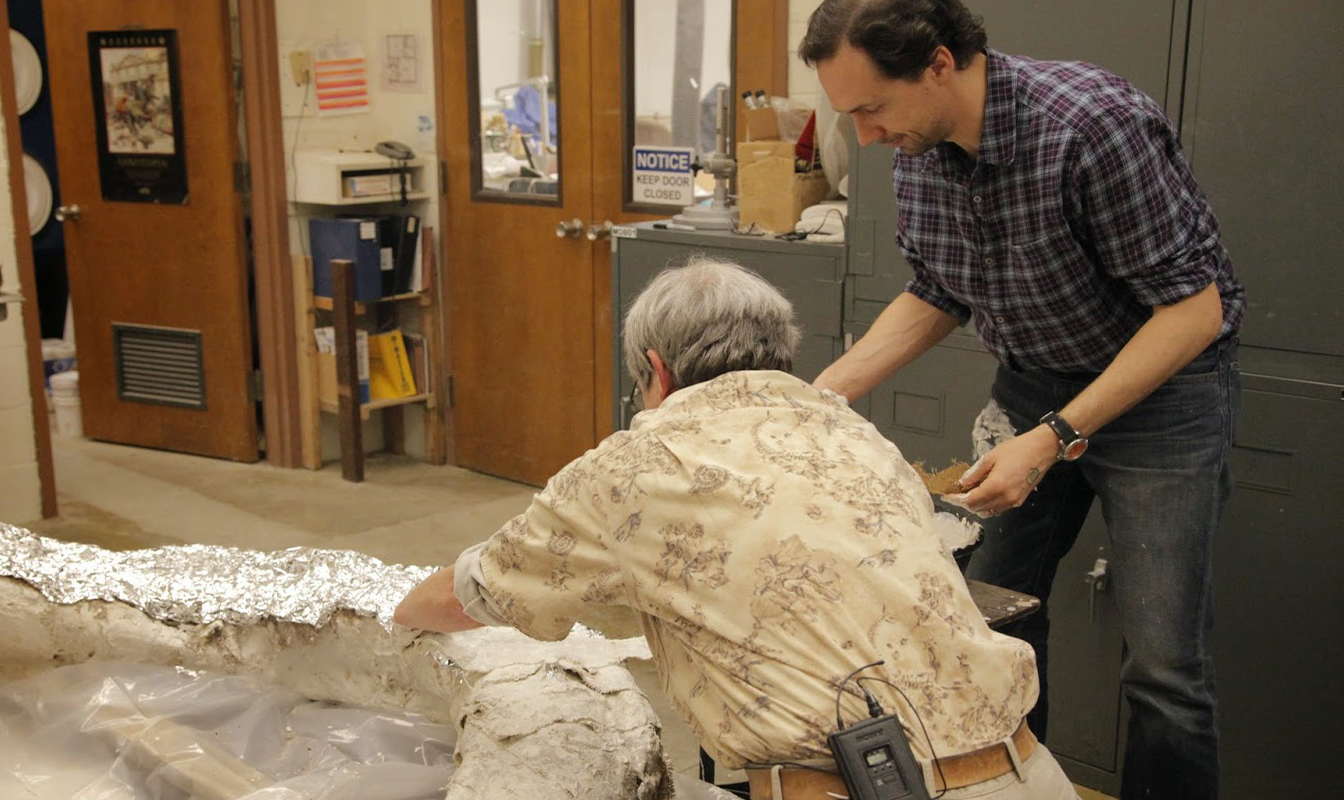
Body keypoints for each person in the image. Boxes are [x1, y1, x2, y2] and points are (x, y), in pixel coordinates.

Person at [395, 258, 1079, 800]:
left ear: (656, 371)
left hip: (865, 787)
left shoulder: (637, 465)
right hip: (1031, 772)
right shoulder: (855, 432)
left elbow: (472, 593)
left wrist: (399, 615)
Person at [797, 2, 1245, 798]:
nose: (864, 137)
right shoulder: (921, 147)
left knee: (1164, 667)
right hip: (1035, 384)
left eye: (871, 108)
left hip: (1166, 398)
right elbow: (938, 290)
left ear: (939, 64)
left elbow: (1194, 309)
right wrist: (819, 396)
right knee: (992, 620)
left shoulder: (1091, 126)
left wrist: (1055, 437)